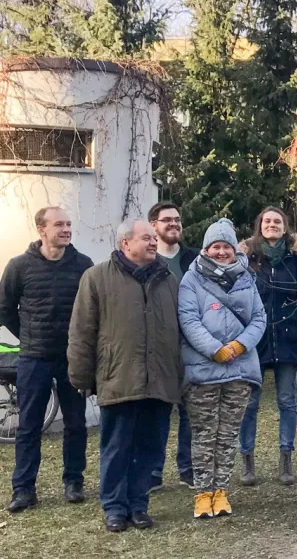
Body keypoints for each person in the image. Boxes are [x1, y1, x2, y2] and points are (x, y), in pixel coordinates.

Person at [68, 219, 182, 532]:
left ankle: (138, 505)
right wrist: (81, 378)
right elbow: (82, 331)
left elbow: (180, 331)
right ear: (125, 244)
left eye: (153, 238)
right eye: (145, 238)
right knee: (116, 448)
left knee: (149, 448)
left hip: (159, 381)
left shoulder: (168, 280)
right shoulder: (96, 278)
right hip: (119, 378)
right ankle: (115, 508)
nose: (152, 242)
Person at [2, 207, 93, 513]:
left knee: (76, 422)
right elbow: (5, 308)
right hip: (34, 359)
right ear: (42, 230)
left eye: (68, 223)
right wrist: (28, 335)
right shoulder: (19, 266)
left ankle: (73, 482)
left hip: (73, 358)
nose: (67, 229)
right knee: (28, 427)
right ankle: (24, 490)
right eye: (59, 224)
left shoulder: (83, 265)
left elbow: (92, 310)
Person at [179, 219, 267, 519]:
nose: (221, 252)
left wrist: (239, 346)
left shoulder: (247, 278)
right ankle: (203, 493)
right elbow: (188, 320)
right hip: (203, 370)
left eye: (226, 246)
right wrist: (215, 350)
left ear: (234, 249)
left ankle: (221, 491)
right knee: (205, 434)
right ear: (206, 249)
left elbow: (259, 318)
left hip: (239, 371)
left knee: (228, 434)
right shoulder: (191, 280)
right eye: (215, 246)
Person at [237, 207, 297, 487]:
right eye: (267, 221)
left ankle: (286, 458)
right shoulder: (245, 259)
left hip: (288, 338)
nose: (272, 225)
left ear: (285, 227)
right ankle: (247, 459)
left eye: (277, 221)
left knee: (286, 401)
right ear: (260, 226)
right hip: (253, 343)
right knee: (250, 403)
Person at [148, 202, 197, 491]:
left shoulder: (193, 259)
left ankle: (187, 468)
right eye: (167, 220)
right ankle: (154, 472)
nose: (174, 224)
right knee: (159, 414)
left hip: (191, 347)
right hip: (159, 349)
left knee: (190, 414)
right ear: (153, 224)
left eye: (177, 220)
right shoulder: (147, 260)